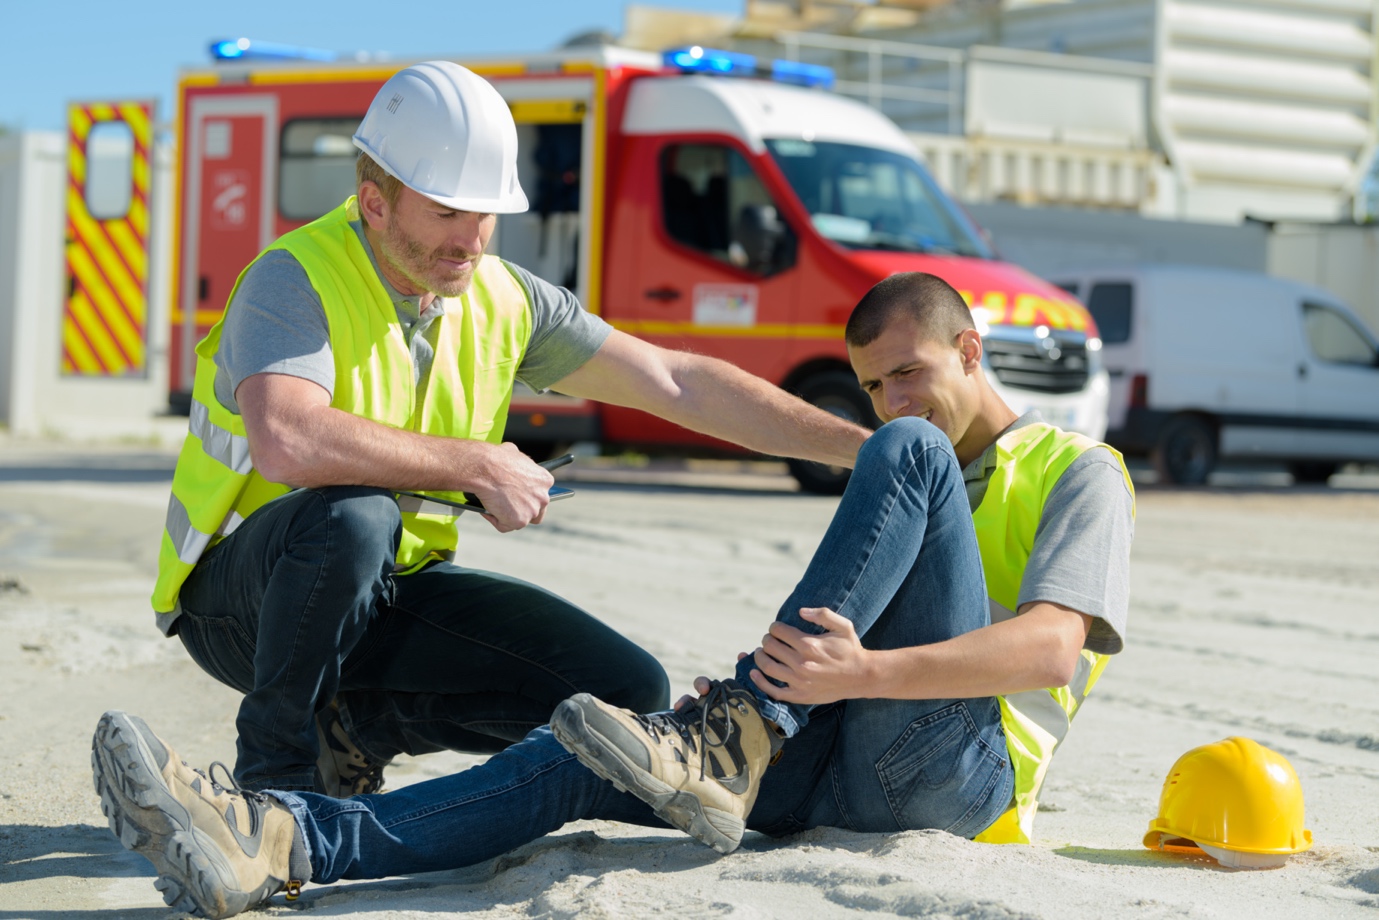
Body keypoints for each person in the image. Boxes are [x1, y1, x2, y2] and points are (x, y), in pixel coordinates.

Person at [94, 272, 1135, 919]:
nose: (891, 401)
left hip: (959, 778)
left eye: (908, 373)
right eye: (871, 386)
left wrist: (854, 673)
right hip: (834, 766)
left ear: (970, 350)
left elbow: (1049, 648)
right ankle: (284, 840)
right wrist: (808, 687)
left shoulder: (1075, 468)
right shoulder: (910, 468)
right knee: (588, 745)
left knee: (903, 454)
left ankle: (741, 730)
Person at [149, 60, 868, 801]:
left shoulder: (505, 297)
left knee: (623, 691)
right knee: (353, 517)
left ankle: (357, 731)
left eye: (486, 214)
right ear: (374, 203)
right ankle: (273, 785)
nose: (472, 240)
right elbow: (288, 439)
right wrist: (477, 464)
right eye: (447, 213)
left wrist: (862, 448)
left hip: (387, 589)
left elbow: (675, 381)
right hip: (241, 607)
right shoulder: (293, 275)